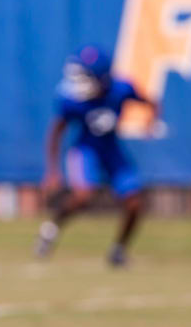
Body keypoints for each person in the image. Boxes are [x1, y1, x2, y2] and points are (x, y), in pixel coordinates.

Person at [36, 45, 159, 267]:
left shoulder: (121, 89)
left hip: (111, 150)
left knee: (134, 203)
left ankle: (119, 250)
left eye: (85, 77)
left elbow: (150, 101)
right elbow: (56, 132)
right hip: (86, 149)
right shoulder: (71, 100)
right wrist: (52, 170)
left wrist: (151, 119)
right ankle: (52, 228)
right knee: (84, 195)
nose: (79, 83)